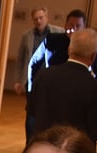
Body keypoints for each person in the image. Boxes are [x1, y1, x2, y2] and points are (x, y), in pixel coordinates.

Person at [30, 28, 97, 143]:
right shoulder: (93, 86)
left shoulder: (44, 75)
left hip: (42, 145)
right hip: (74, 150)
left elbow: (33, 110)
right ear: (94, 56)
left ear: (69, 50)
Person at [28, 9, 97, 90]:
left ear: (84, 28)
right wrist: (31, 88)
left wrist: (94, 93)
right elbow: (34, 63)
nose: (74, 29)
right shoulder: (51, 40)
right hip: (52, 87)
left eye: (78, 26)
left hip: (77, 91)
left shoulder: (90, 45)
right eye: (71, 25)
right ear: (65, 25)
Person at [16, 7, 63, 140]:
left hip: (52, 80)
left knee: (49, 112)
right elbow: (21, 58)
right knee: (31, 113)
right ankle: (30, 142)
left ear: (46, 17)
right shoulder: (27, 36)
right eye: (35, 19)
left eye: (41, 18)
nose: (38, 21)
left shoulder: (58, 33)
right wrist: (18, 80)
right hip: (32, 80)